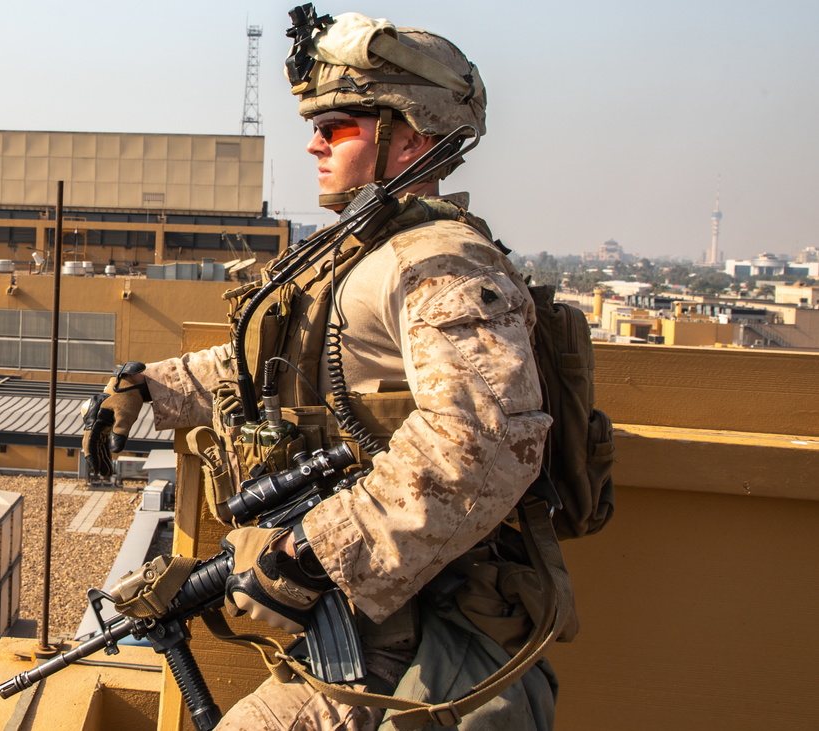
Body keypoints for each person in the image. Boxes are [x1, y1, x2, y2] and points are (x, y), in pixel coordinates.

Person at [85, 7, 557, 729]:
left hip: (411, 640)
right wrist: (149, 387)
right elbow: (272, 373)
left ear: (413, 134)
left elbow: (485, 441)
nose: (312, 143)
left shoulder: (439, 262)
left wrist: (309, 554)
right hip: (359, 621)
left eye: (337, 126)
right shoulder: (359, 255)